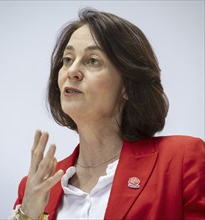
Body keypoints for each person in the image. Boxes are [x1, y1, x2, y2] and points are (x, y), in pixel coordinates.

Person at [12, 8, 205, 220]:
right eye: (67, 59)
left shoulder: (180, 161)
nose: (71, 71)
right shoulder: (37, 185)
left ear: (127, 86)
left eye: (92, 60)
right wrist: (27, 214)